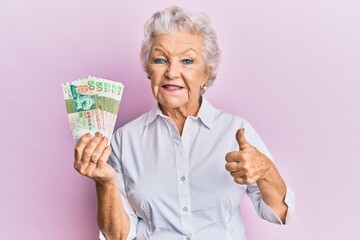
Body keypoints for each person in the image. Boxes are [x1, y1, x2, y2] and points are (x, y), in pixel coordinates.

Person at [74, 6, 295, 240]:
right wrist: (105, 182)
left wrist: (266, 170)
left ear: (206, 74)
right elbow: (117, 236)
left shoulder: (236, 131)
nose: (172, 72)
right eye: (160, 60)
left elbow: (279, 213)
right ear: (149, 69)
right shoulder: (123, 141)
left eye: (187, 60)